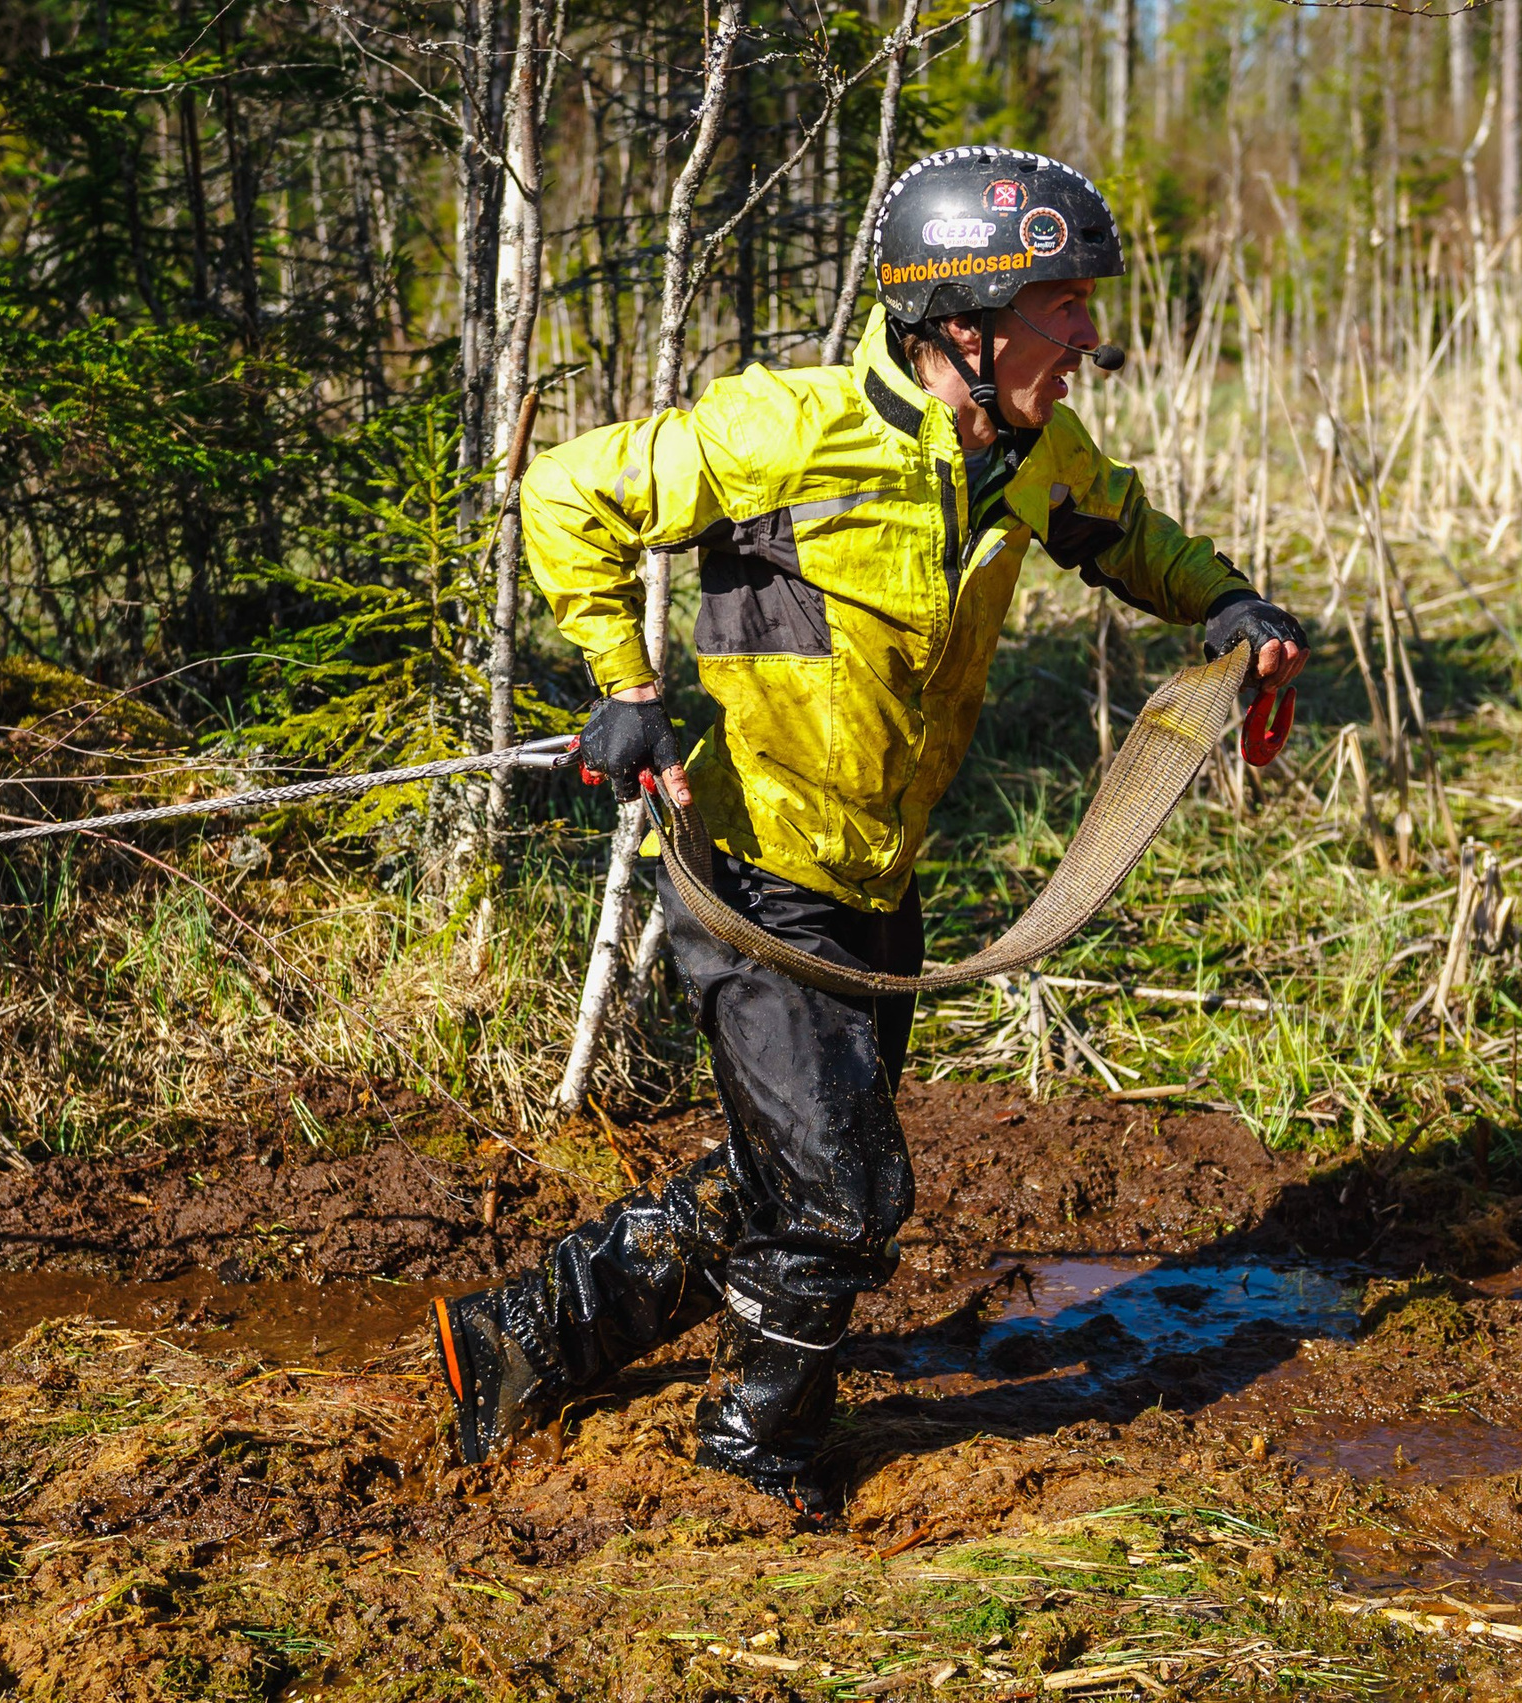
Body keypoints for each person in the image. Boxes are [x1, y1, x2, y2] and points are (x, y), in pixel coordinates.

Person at [434, 145, 1308, 1518]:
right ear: (964, 319)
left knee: (788, 1175)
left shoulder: (1029, 453)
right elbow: (566, 494)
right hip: (756, 877)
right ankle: (753, 1461)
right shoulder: (788, 429)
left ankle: (527, 1335)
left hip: (874, 885)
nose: (1089, 336)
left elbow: (1125, 531)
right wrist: (624, 683)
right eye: (1063, 305)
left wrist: (1229, 605)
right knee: (841, 1199)